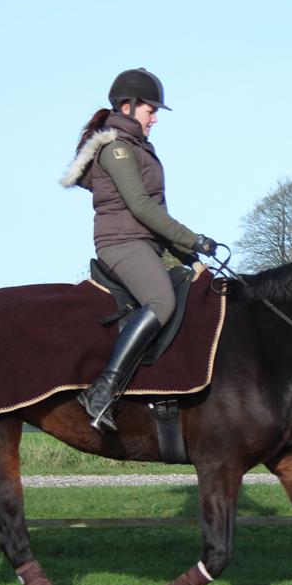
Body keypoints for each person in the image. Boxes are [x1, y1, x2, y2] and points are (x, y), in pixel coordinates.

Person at [61, 68, 218, 431]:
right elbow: (141, 208)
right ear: (128, 107)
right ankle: (102, 391)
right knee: (162, 302)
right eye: (151, 110)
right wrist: (195, 239)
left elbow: (155, 213)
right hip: (121, 243)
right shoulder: (116, 149)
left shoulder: (137, 147)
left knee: (197, 290)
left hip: (146, 242)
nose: (155, 117)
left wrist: (187, 253)